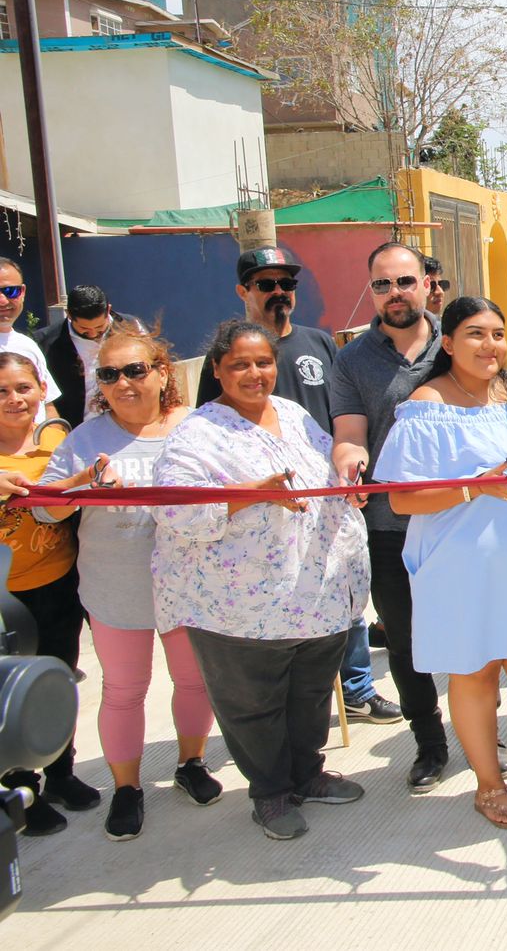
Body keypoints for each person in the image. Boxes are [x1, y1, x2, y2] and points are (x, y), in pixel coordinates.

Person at [152, 320, 370, 840]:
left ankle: (306, 775)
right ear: (218, 371)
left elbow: (325, 471)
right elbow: (174, 510)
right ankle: (270, 794)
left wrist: (349, 483)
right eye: (240, 365)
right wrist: (253, 493)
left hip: (316, 594)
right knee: (254, 706)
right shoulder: (197, 433)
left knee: (311, 694)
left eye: (264, 362)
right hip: (240, 609)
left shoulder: (293, 415)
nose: (255, 374)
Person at [378, 297, 507, 828]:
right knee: (477, 671)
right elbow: (402, 499)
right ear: (446, 343)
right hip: (459, 565)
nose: (489, 345)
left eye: (497, 333)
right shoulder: (425, 405)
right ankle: (489, 785)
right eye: (474, 334)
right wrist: (476, 487)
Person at [200, 247, 401, 728]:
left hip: (328, 492)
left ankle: (356, 688)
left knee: (345, 591)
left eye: (286, 284)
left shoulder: (319, 343)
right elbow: (215, 430)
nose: (278, 293)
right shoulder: (227, 356)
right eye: (265, 284)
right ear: (243, 292)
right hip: (268, 505)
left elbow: (342, 413)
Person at [33, 323, 218, 841]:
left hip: (190, 585)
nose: (123, 383)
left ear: (163, 373)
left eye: (135, 370)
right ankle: (127, 789)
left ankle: (191, 764)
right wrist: (81, 481)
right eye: (109, 374)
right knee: (123, 691)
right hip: (115, 588)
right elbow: (46, 511)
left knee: (194, 681)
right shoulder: (85, 438)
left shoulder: (198, 426)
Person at [331, 242, 457, 792]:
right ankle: (430, 744)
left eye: (404, 282)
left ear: (427, 284)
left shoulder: (459, 343)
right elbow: (349, 434)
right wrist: (349, 461)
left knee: (469, 632)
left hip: (463, 520)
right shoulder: (352, 360)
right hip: (388, 527)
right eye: (381, 285)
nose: (394, 294)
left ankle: (484, 735)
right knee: (405, 644)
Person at [0, 353, 96, 835]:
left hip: (59, 585)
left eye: (23, 388)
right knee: (9, 696)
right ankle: (20, 786)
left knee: (57, 681)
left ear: (42, 389)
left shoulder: (58, 442)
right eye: (2, 391)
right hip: (5, 600)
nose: (15, 399)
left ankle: (61, 773)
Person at [35, 284, 135, 427]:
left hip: (127, 425)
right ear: (69, 315)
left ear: (108, 310)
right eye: (84, 329)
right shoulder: (46, 343)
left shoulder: (131, 328)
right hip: (75, 430)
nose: (93, 334)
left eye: (100, 327)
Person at [0, 258, 61, 421]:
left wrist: (55, 441)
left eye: (10, 291)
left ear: (23, 292)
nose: (3, 301)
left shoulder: (28, 345)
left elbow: (47, 405)